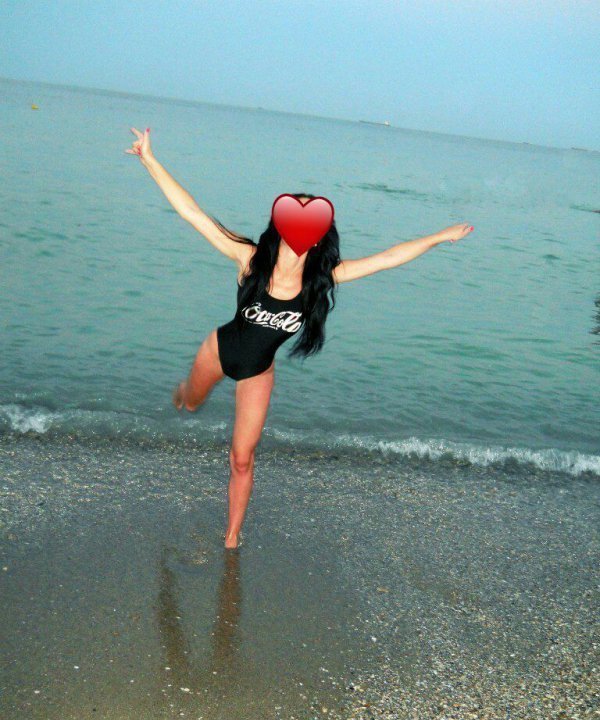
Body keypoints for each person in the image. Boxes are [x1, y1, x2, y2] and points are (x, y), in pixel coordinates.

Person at [126, 127, 474, 548]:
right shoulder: (249, 258)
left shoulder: (322, 278)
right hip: (219, 351)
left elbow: (387, 258)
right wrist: (149, 159)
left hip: (258, 372)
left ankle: (232, 537)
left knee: (242, 458)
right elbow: (192, 213)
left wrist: (439, 237)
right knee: (191, 402)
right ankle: (183, 392)